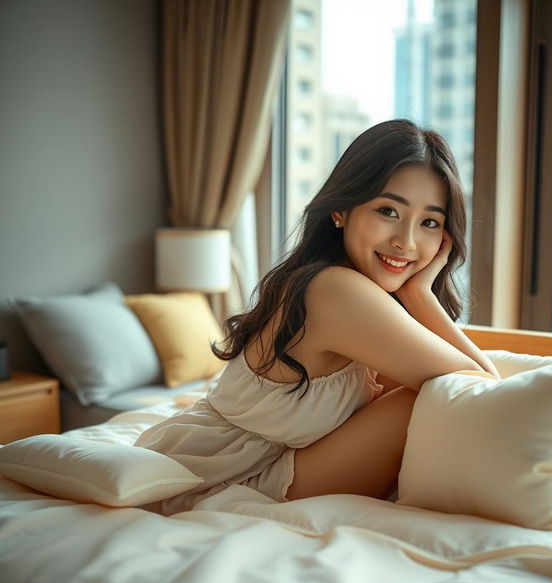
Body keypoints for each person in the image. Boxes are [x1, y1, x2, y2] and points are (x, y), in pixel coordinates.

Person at [135, 119, 500, 515]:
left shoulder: (356, 289)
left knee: (423, 391)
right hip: (230, 477)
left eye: (430, 222)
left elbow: (473, 392)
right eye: (387, 210)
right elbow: (481, 393)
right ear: (342, 210)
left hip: (258, 463)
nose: (407, 242)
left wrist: (415, 295)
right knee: (423, 398)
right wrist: (420, 296)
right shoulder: (335, 291)